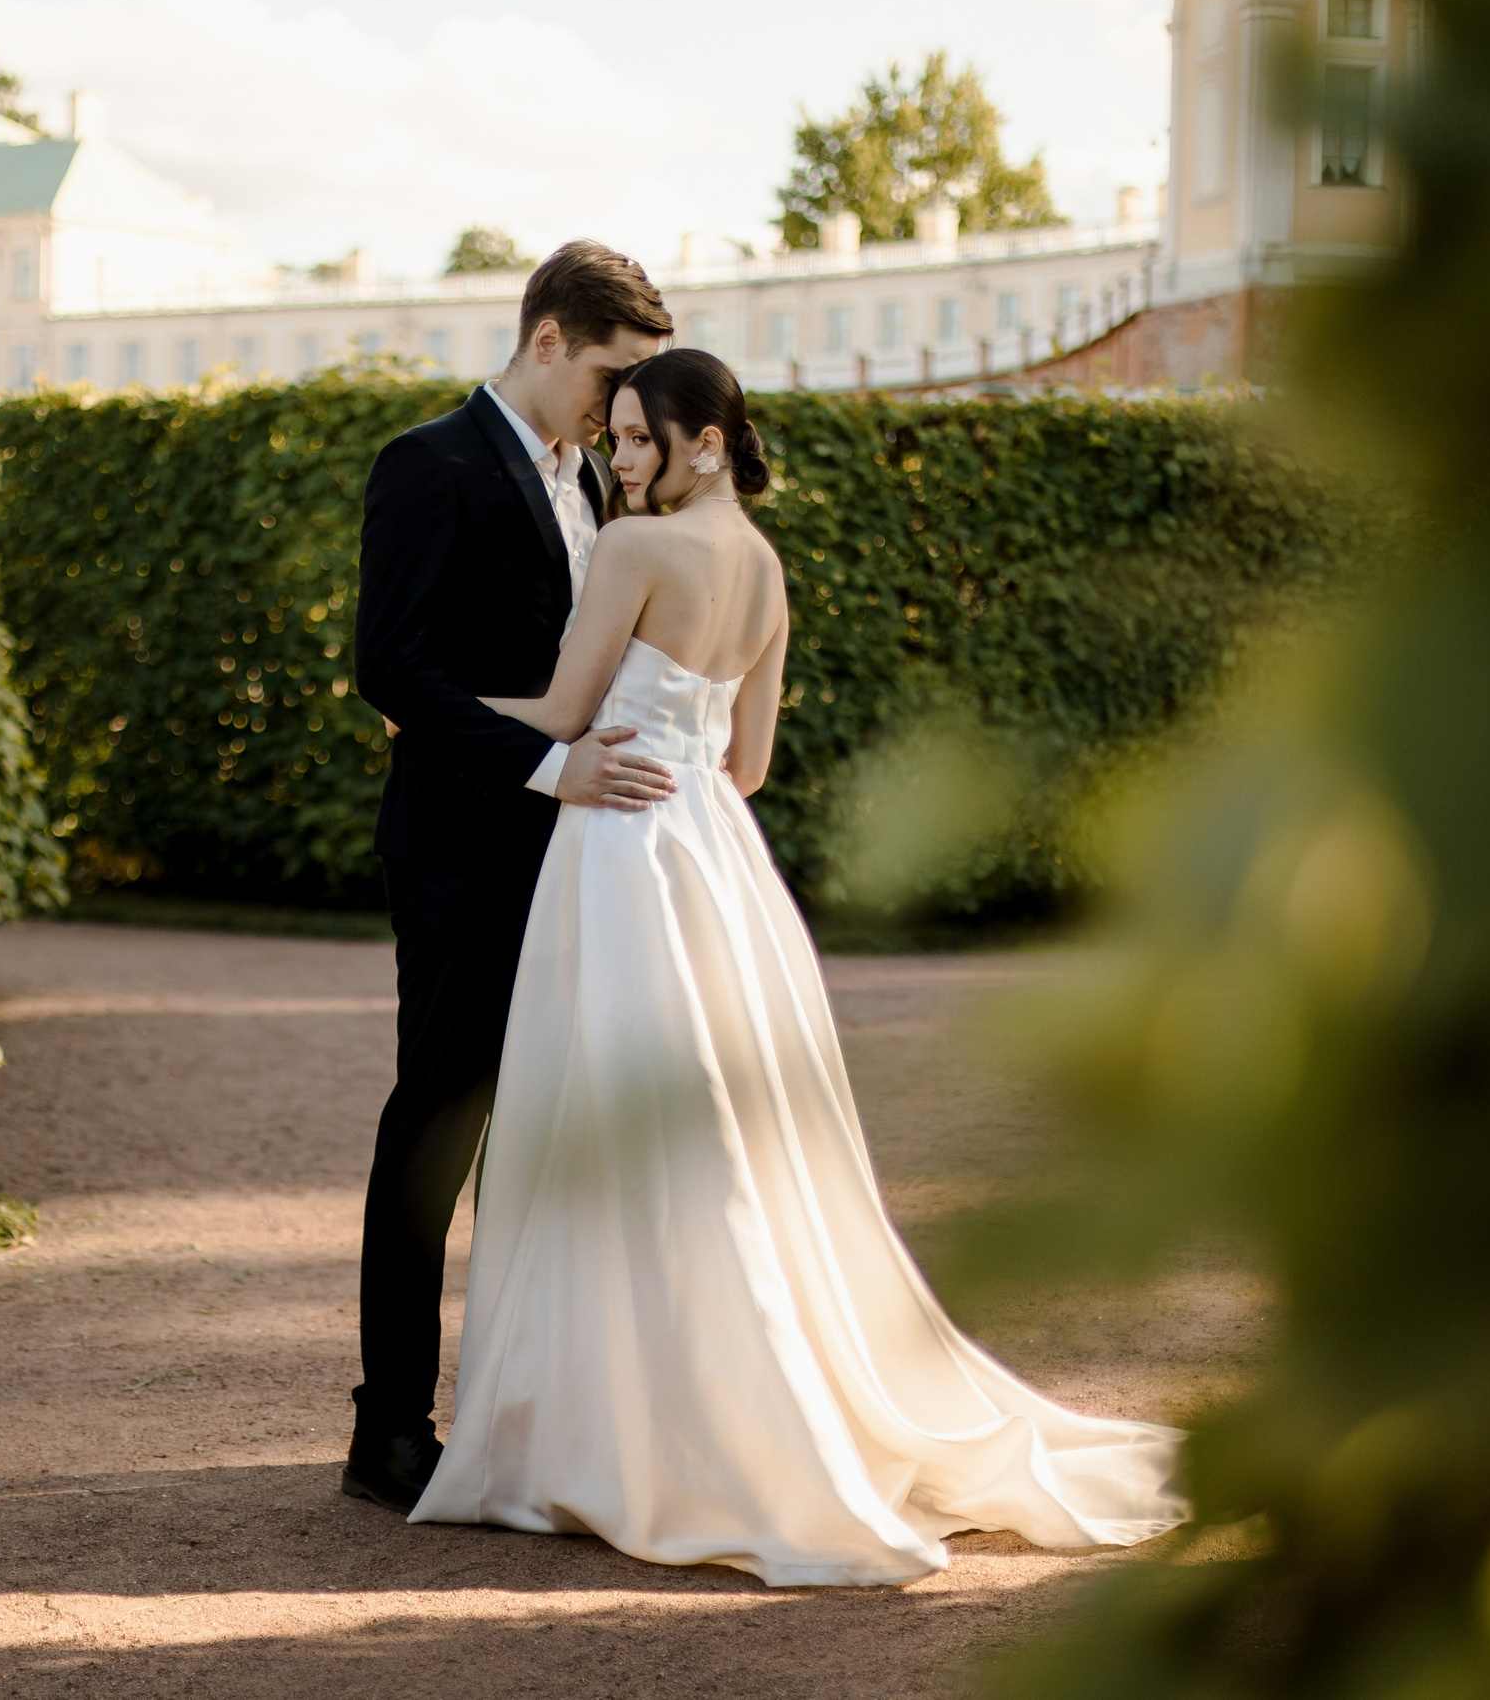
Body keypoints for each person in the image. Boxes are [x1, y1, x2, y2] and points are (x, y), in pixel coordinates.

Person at [406, 348, 1189, 1584]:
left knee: (610, 1123)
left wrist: (428, 710)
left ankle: (615, 1432)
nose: (621, 460)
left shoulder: (633, 550)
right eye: (617, 437)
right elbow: (750, 767)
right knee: (736, 1139)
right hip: (720, 862)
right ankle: (726, 1410)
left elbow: (560, 716)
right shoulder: (765, 568)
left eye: (640, 439)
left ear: (706, 441)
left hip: (622, 850)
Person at [345, 242, 674, 1511]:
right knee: (440, 1122)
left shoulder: (595, 478)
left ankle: (521, 1415)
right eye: (608, 375)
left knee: (547, 1130)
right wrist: (547, 767)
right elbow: (391, 669)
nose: (619, 406)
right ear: (547, 340)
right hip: (461, 851)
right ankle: (388, 1430)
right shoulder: (425, 464)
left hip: (581, 856)